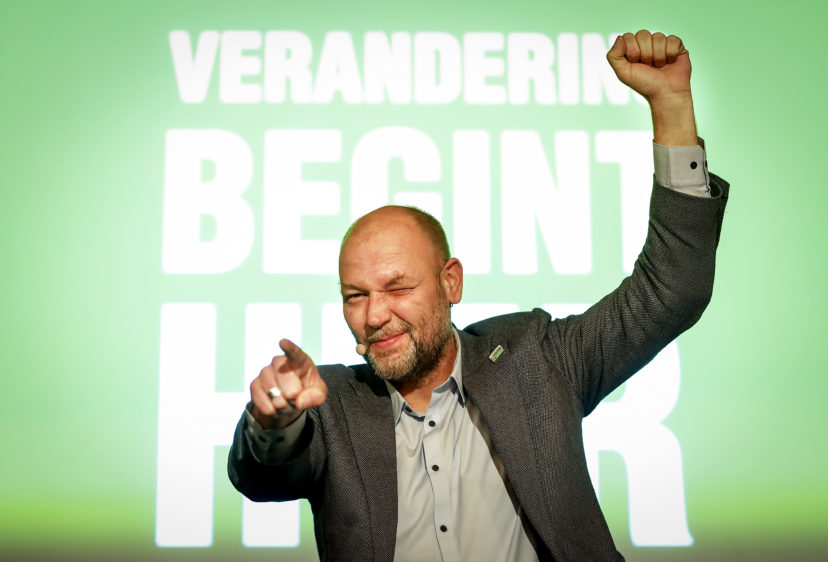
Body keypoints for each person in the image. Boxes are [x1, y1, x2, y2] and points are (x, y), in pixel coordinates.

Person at [228, 30, 729, 561]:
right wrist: (274, 423)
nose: (374, 315)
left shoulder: (537, 361)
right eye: (355, 295)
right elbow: (261, 477)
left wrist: (672, 107)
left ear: (451, 282)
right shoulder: (331, 407)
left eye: (398, 287)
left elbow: (672, 288)